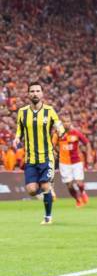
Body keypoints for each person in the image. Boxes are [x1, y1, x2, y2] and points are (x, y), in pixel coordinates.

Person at [13, 81, 65, 224]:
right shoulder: (22, 112)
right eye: (32, 91)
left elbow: (58, 124)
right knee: (31, 190)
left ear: (42, 94)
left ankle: (48, 217)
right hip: (30, 158)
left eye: (37, 91)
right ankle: (47, 194)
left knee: (45, 186)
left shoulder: (50, 111)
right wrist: (17, 138)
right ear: (28, 94)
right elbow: (20, 129)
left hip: (47, 157)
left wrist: (61, 131)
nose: (35, 93)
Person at [57, 118, 91, 207]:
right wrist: (57, 152)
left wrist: (89, 155)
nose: (66, 123)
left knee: (79, 182)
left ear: (70, 123)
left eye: (68, 121)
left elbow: (87, 143)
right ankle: (77, 199)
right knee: (69, 186)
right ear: (61, 123)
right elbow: (52, 145)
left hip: (76, 161)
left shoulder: (76, 133)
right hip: (64, 163)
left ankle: (83, 192)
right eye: (64, 122)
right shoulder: (57, 134)